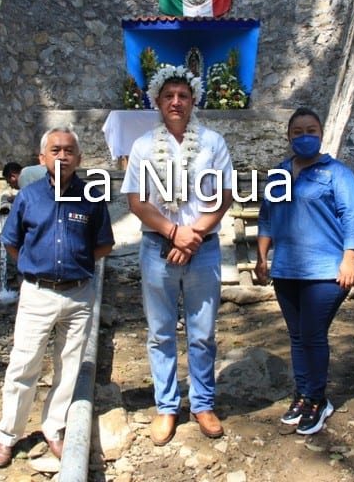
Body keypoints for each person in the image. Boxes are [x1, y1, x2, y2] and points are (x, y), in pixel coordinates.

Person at [121, 64, 233, 446]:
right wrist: (173, 232)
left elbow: (224, 195)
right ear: (156, 101)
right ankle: (167, 407)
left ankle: (202, 403)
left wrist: (193, 235)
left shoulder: (213, 143)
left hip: (202, 249)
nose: (175, 101)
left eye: (182, 96)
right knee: (160, 332)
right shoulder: (141, 147)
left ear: (193, 100)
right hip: (158, 248)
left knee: (202, 333)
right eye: (168, 96)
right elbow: (137, 200)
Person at [0, 126, 114, 468]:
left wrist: (78, 264)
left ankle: (55, 428)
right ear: (42, 158)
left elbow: (104, 243)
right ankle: (7, 435)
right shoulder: (28, 198)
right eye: (55, 150)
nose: (62, 156)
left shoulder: (91, 196)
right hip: (37, 294)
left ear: (79, 158)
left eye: (69, 150)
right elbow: (11, 241)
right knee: (23, 365)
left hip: (79, 295)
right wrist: (35, 267)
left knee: (70, 366)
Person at [255, 108, 354, 435]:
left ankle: (318, 399)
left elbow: (352, 218)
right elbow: (267, 218)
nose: (304, 136)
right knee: (297, 336)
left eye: (311, 130)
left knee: (313, 335)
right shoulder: (280, 173)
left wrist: (350, 259)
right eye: (298, 131)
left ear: (320, 134)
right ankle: (302, 395)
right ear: (289, 137)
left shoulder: (337, 173)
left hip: (326, 272)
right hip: (286, 270)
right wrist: (262, 257)